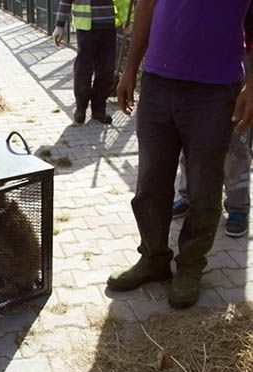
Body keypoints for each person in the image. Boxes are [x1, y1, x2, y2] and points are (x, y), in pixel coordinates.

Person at [108, 0, 253, 309]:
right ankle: (153, 258)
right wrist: (130, 69)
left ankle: (189, 267)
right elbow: (147, 6)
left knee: (204, 188)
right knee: (150, 185)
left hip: (214, 90)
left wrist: (251, 86)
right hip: (157, 83)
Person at [173, 16, 253, 238]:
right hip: (194, 60)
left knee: (236, 142)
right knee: (187, 134)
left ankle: (237, 208)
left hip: (238, 60)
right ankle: (187, 195)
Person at [52, 0, 132, 126]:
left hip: (108, 26)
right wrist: (60, 25)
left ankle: (99, 109)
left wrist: (128, 19)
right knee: (83, 71)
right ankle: (81, 109)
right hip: (85, 28)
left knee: (106, 70)